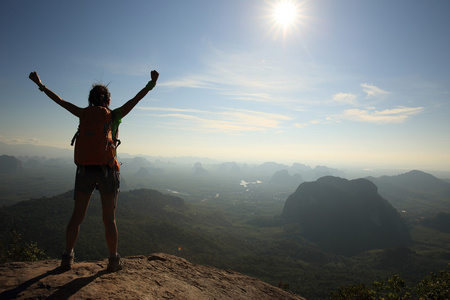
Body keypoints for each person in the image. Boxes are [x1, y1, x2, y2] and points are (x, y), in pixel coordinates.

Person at [29, 70, 159, 271]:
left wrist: (41, 84)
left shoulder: (83, 113)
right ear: (108, 100)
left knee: (77, 216)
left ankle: (67, 258)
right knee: (109, 219)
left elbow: (60, 101)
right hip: (107, 171)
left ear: (90, 100)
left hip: (84, 170)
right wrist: (151, 84)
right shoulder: (114, 114)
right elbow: (135, 99)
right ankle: (113, 260)